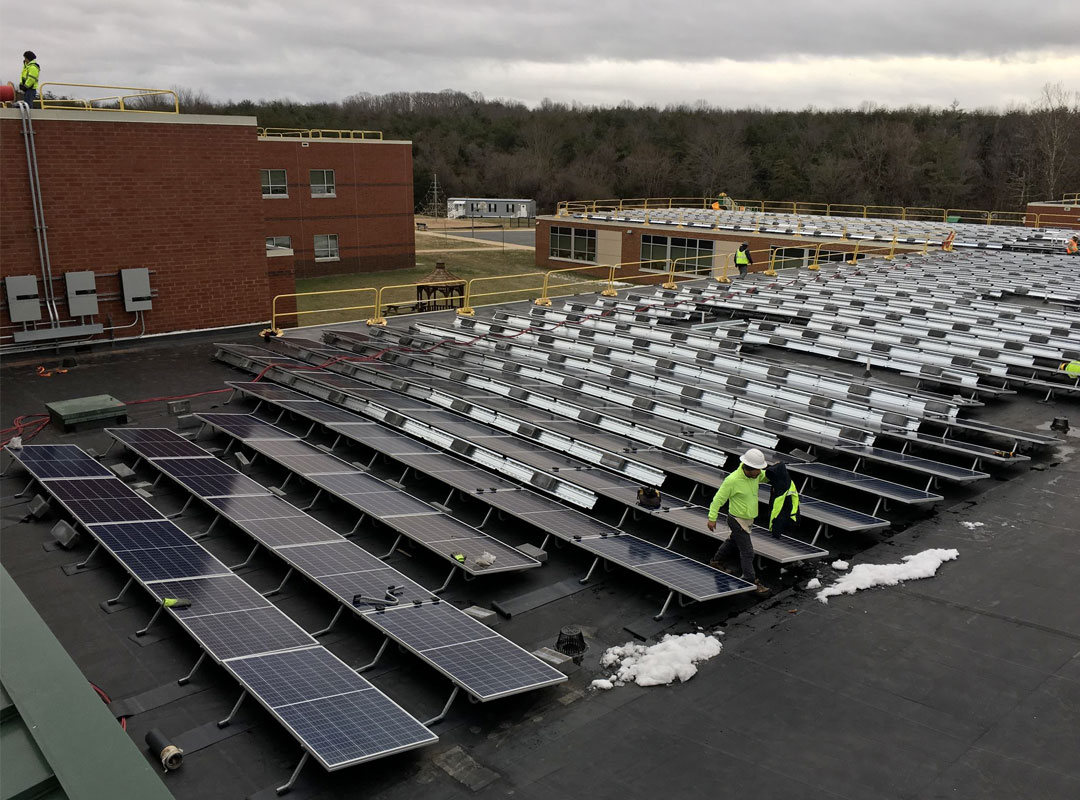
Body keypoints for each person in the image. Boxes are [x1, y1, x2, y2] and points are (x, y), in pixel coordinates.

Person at [706, 447, 770, 595]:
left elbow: (765, 477)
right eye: (758, 470)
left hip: (747, 520)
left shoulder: (755, 476)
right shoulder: (733, 480)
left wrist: (777, 471)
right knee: (747, 552)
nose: (760, 472)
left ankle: (716, 561)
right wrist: (712, 518)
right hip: (737, 520)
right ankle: (749, 579)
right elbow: (718, 500)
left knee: (733, 541)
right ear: (749, 468)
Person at [764, 462, 799, 539]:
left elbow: (778, 511)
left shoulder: (782, 488)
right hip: (783, 520)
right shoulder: (783, 481)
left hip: (786, 523)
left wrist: (774, 530)